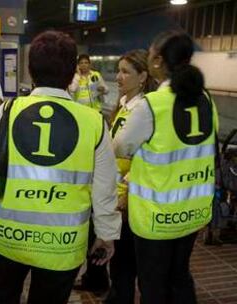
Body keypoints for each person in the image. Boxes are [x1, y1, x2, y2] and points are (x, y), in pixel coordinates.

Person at [0, 30, 121, 304]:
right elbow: (105, 188)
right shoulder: (94, 122)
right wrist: (106, 234)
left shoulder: (7, 111)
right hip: (63, 243)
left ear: (30, 69)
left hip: (8, 236)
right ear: (72, 73)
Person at [113, 31, 218, 304]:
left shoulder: (153, 104)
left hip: (156, 217)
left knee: (154, 284)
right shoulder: (205, 99)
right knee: (180, 277)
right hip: (192, 211)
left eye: (150, 55)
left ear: (158, 61)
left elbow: (122, 147)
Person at [104, 49, 156, 304]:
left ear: (143, 76)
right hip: (118, 196)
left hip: (131, 200)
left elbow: (145, 160)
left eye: (126, 72)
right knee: (120, 264)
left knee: (127, 263)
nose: (118, 77)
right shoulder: (123, 107)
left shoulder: (143, 111)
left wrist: (125, 193)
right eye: (118, 70)